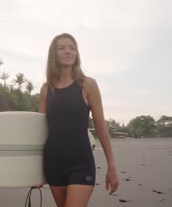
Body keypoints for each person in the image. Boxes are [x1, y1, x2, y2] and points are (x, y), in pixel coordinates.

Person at [35, 33, 119, 207]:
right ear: (54, 54)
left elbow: (101, 127)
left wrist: (111, 166)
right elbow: (40, 131)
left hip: (81, 162)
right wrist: (35, 171)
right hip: (53, 163)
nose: (68, 51)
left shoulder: (88, 84)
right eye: (62, 48)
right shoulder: (46, 89)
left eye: (72, 48)